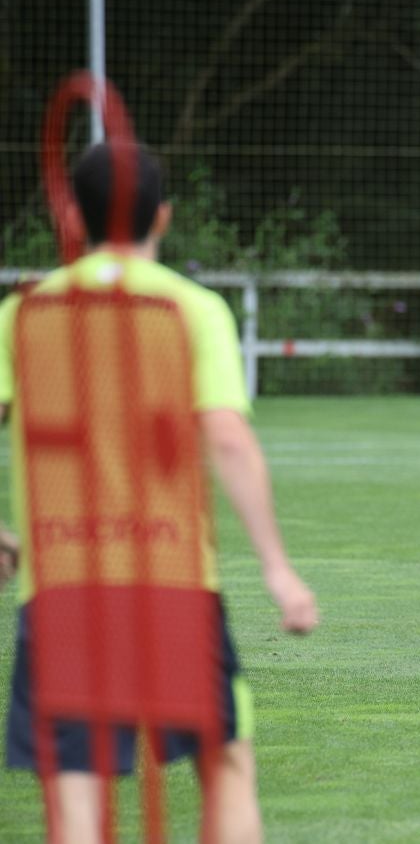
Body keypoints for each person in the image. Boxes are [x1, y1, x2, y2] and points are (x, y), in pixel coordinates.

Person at [0, 141, 319, 841]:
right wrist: (277, 568)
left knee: (76, 798)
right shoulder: (192, 309)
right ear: (164, 217)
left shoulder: (25, 313)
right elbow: (228, 439)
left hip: (62, 589)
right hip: (170, 584)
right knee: (225, 766)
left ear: (73, 218)